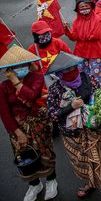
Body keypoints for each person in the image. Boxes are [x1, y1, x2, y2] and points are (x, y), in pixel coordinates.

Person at [46, 52, 101, 199]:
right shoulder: (55, 89)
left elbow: (100, 94)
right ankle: (90, 183)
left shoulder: (87, 78)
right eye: (66, 71)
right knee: (81, 160)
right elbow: (52, 113)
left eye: (73, 68)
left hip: (93, 128)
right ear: (59, 74)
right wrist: (70, 107)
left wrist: (98, 105)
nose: (71, 72)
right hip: (72, 134)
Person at [0, 46, 58, 201]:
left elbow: (31, 96)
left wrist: (16, 81)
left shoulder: (37, 77)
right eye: (16, 67)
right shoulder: (3, 87)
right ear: (10, 69)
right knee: (25, 156)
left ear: (29, 64)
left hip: (38, 123)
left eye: (23, 65)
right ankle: (34, 184)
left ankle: (52, 180)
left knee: (45, 152)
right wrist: (18, 133)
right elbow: (5, 113)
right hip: (17, 129)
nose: (20, 69)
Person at [63, 0, 101, 87]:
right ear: (78, 9)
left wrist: (82, 37)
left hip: (95, 53)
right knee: (84, 77)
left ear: (91, 7)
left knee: (98, 77)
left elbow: (97, 35)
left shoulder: (97, 19)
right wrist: (68, 31)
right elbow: (74, 37)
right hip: (81, 53)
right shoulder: (76, 21)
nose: (84, 8)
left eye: (86, 6)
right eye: (82, 7)